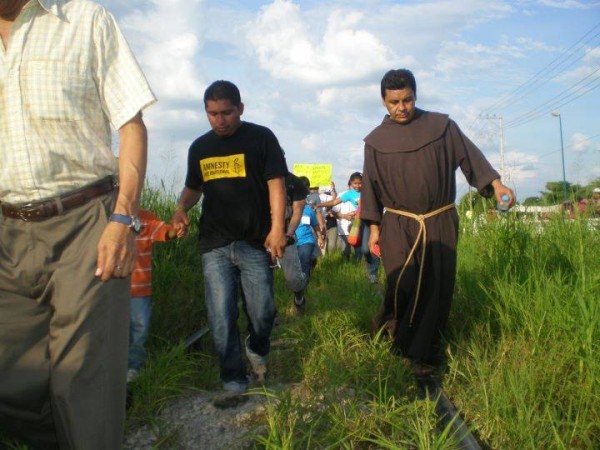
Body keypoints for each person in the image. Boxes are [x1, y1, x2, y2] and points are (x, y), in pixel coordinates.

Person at [0, 0, 156, 448]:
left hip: (86, 227)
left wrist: (123, 216)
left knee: (84, 387)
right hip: (7, 233)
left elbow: (130, 122)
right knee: (12, 383)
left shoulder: (85, 19)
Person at [361, 69, 514, 376]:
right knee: (402, 283)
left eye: (407, 100)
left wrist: (496, 185)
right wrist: (374, 229)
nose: (401, 107)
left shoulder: (441, 127)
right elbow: (371, 186)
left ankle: (420, 354)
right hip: (398, 224)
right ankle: (389, 322)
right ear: (383, 100)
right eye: (393, 102)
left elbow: (471, 158)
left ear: (415, 96)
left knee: (435, 287)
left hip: (440, 219)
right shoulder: (376, 142)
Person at [172, 80, 287, 408]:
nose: (219, 120)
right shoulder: (200, 147)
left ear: (240, 109)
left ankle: (258, 346)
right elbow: (194, 187)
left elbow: (276, 185)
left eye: (226, 113)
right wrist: (181, 208)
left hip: (253, 241)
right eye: (212, 114)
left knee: (263, 310)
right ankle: (234, 380)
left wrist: (277, 228)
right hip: (214, 243)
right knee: (220, 314)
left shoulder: (261, 138)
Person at [128, 209, 182, 383]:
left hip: (140, 291)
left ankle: (133, 368)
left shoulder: (145, 218)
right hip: (112, 291)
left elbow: (166, 232)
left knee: (139, 329)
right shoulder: (105, 218)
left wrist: (177, 228)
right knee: (115, 331)